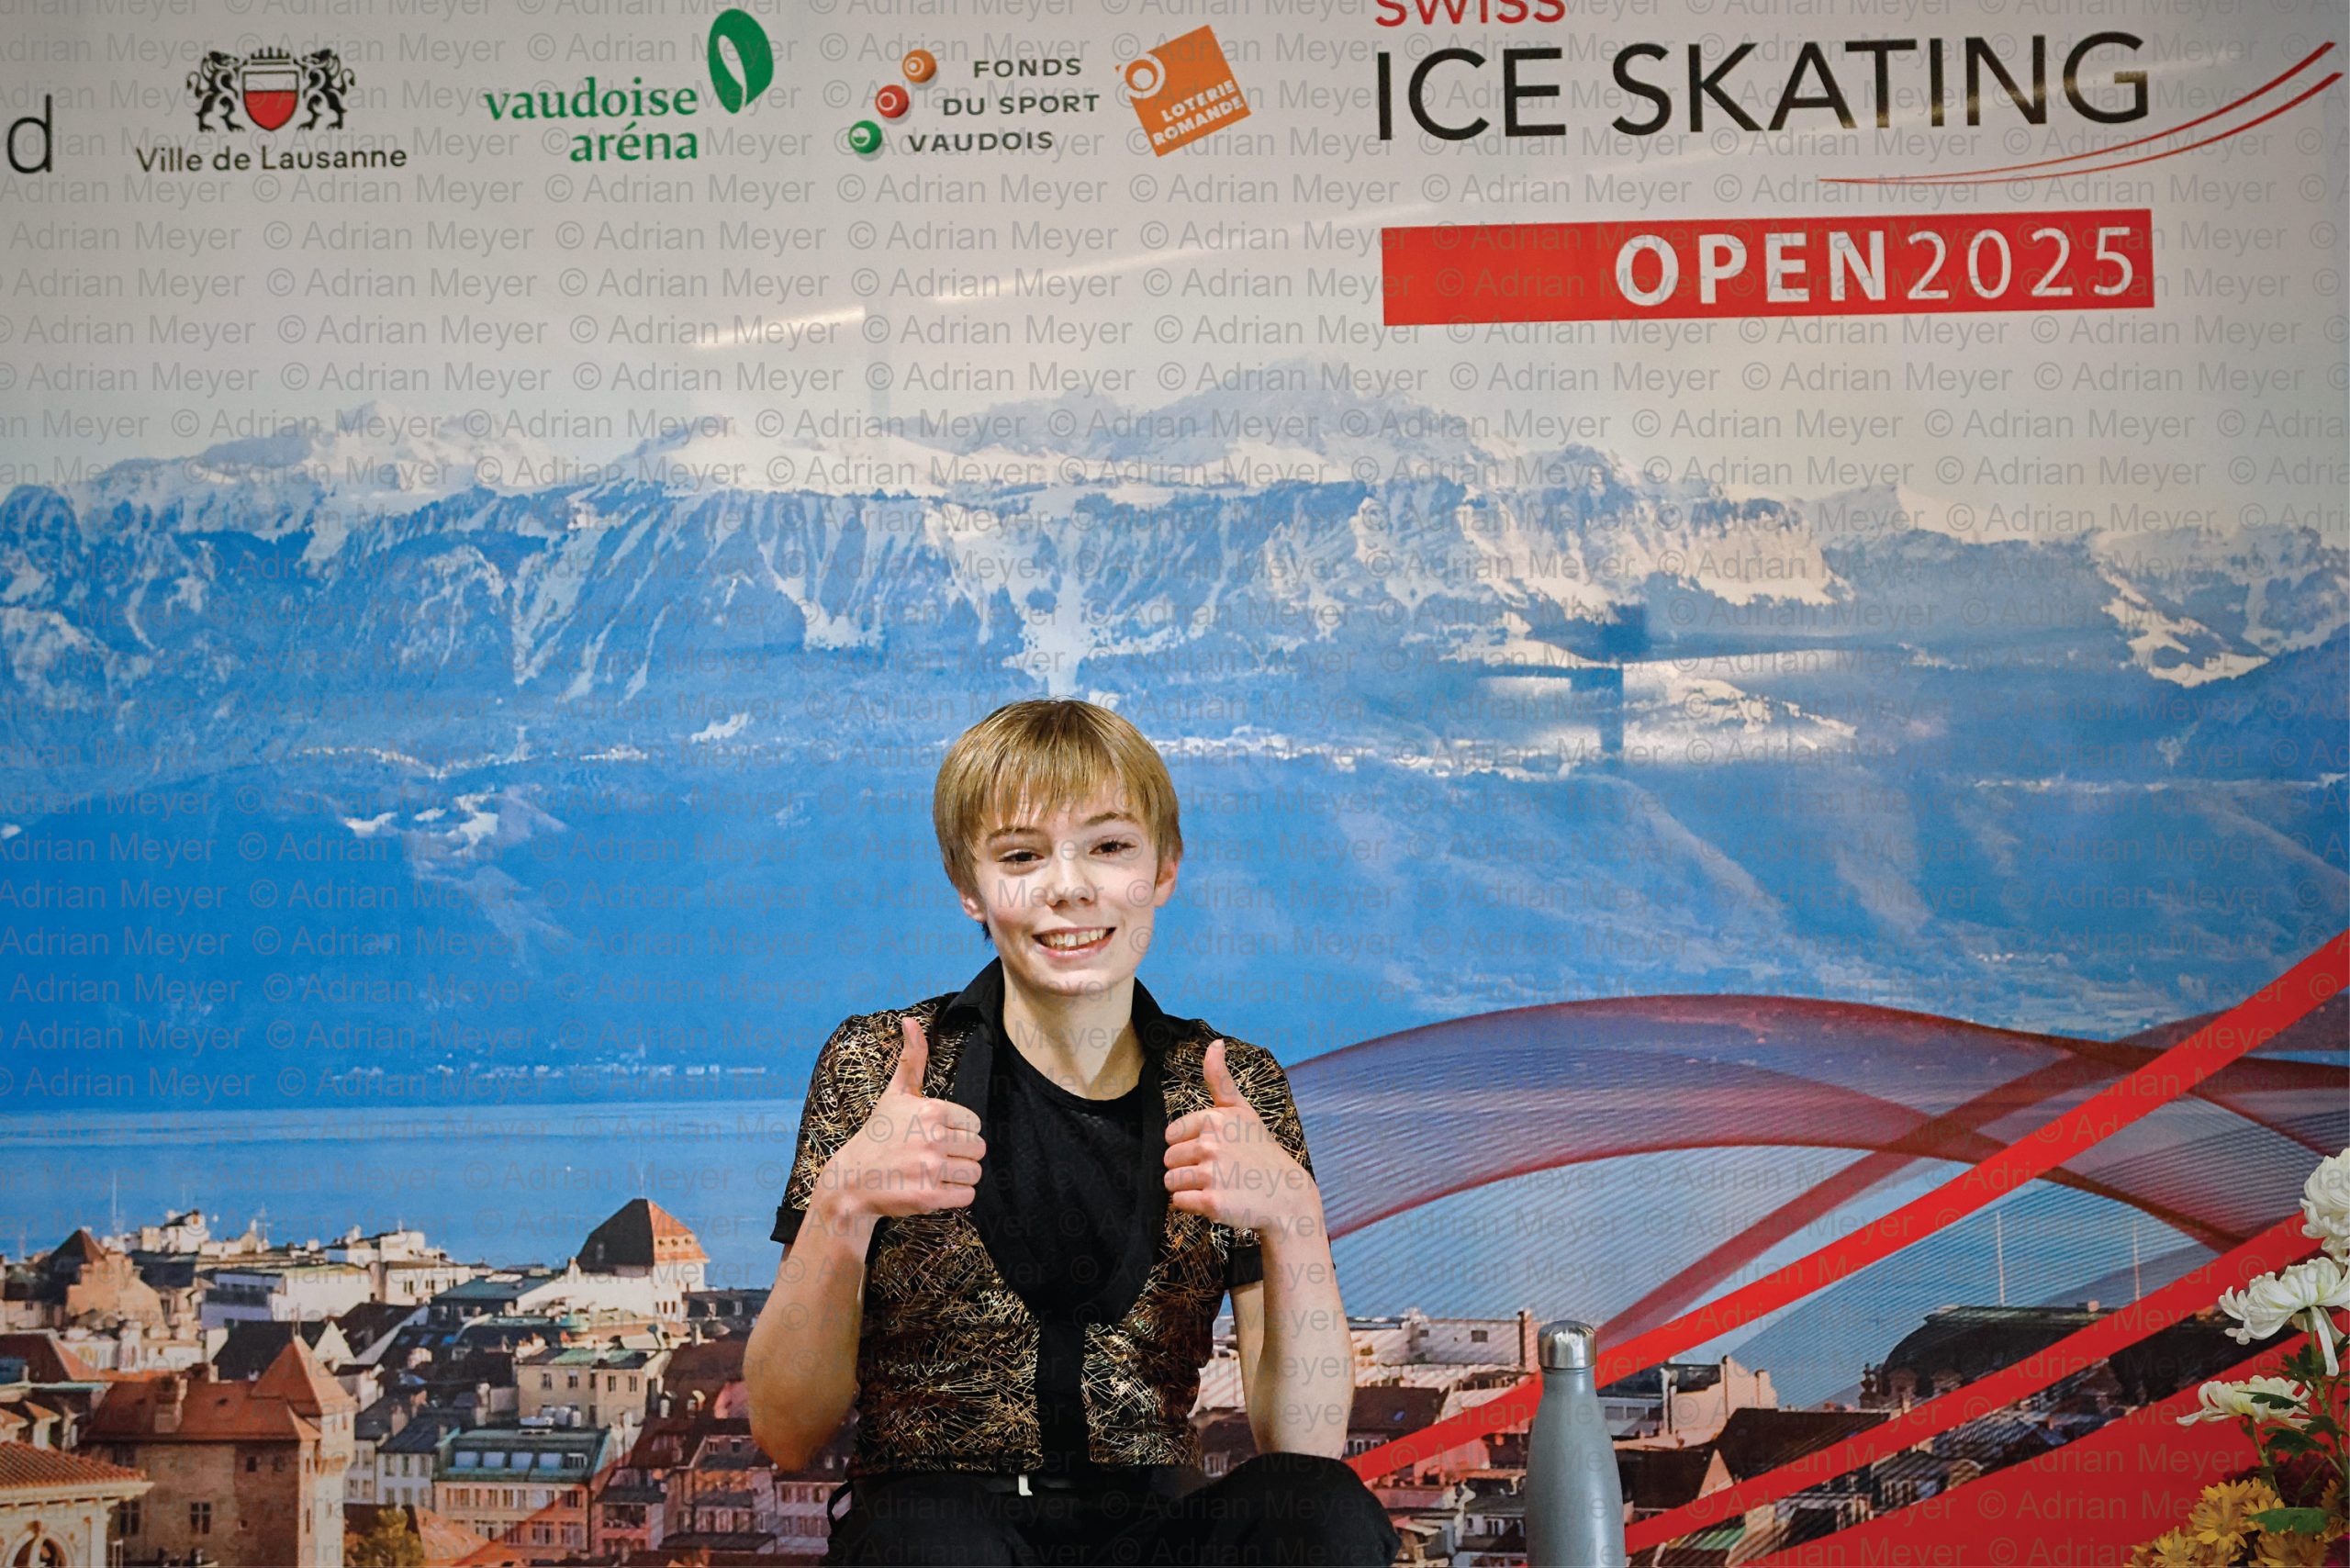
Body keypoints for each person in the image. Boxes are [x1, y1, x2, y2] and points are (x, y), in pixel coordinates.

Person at [744, 699, 1401, 1567]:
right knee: (933, 1547)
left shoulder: (1232, 1087)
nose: (1069, 887)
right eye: (1022, 855)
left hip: (1155, 1531)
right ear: (969, 887)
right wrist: (840, 1206)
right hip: (936, 1529)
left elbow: (1303, 1444)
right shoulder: (880, 1067)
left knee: (1321, 1508)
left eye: (1109, 846)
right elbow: (787, 1431)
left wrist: (1296, 1221)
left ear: (1164, 869)